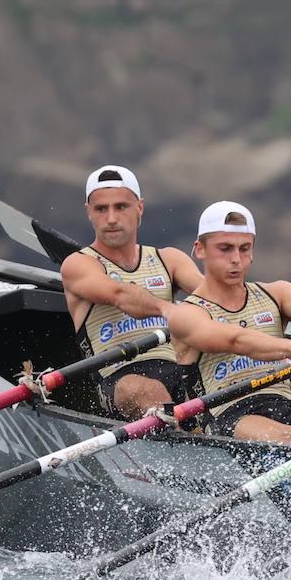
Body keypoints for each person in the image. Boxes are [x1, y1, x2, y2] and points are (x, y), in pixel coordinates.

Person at [166, 202, 291, 442]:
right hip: (227, 416)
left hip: (286, 406)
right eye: (225, 248)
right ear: (200, 249)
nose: (236, 259)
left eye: (244, 249)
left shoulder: (278, 294)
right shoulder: (187, 314)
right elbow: (235, 340)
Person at [60, 165, 202, 419]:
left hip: (178, 372)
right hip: (120, 381)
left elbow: (214, 300)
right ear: (88, 213)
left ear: (140, 208)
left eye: (121, 207)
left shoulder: (169, 259)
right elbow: (121, 296)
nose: (111, 218)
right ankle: (181, 439)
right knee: (150, 390)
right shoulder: (79, 264)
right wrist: (169, 310)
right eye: (101, 209)